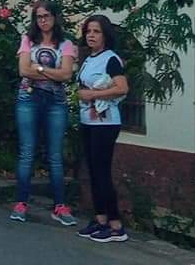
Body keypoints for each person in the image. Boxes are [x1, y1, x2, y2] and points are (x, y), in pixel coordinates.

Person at [10, 0, 77, 226]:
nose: (43, 21)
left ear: (55, 17)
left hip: (55, 102)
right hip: (28, 99)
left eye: (47, 16)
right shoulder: (28, 40)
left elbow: (67, 75)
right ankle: (20, 203)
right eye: (39, 17)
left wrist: (37, 69)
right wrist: (51, 72)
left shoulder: (66, 44)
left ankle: (59, 205)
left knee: (55, 155)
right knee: (27, 152)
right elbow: (22, 70)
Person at [76, 14, 130, 244]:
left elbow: (122, 87)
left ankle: (116, 225)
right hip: (88, 121)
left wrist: (94, 94)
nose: (91, 35)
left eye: (96, 31)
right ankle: (100, 219)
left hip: (105, 123)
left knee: (102, 173)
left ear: (105, 35)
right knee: (93, 171)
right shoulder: (89, 59)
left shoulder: (111, 59)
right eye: (88, 31)